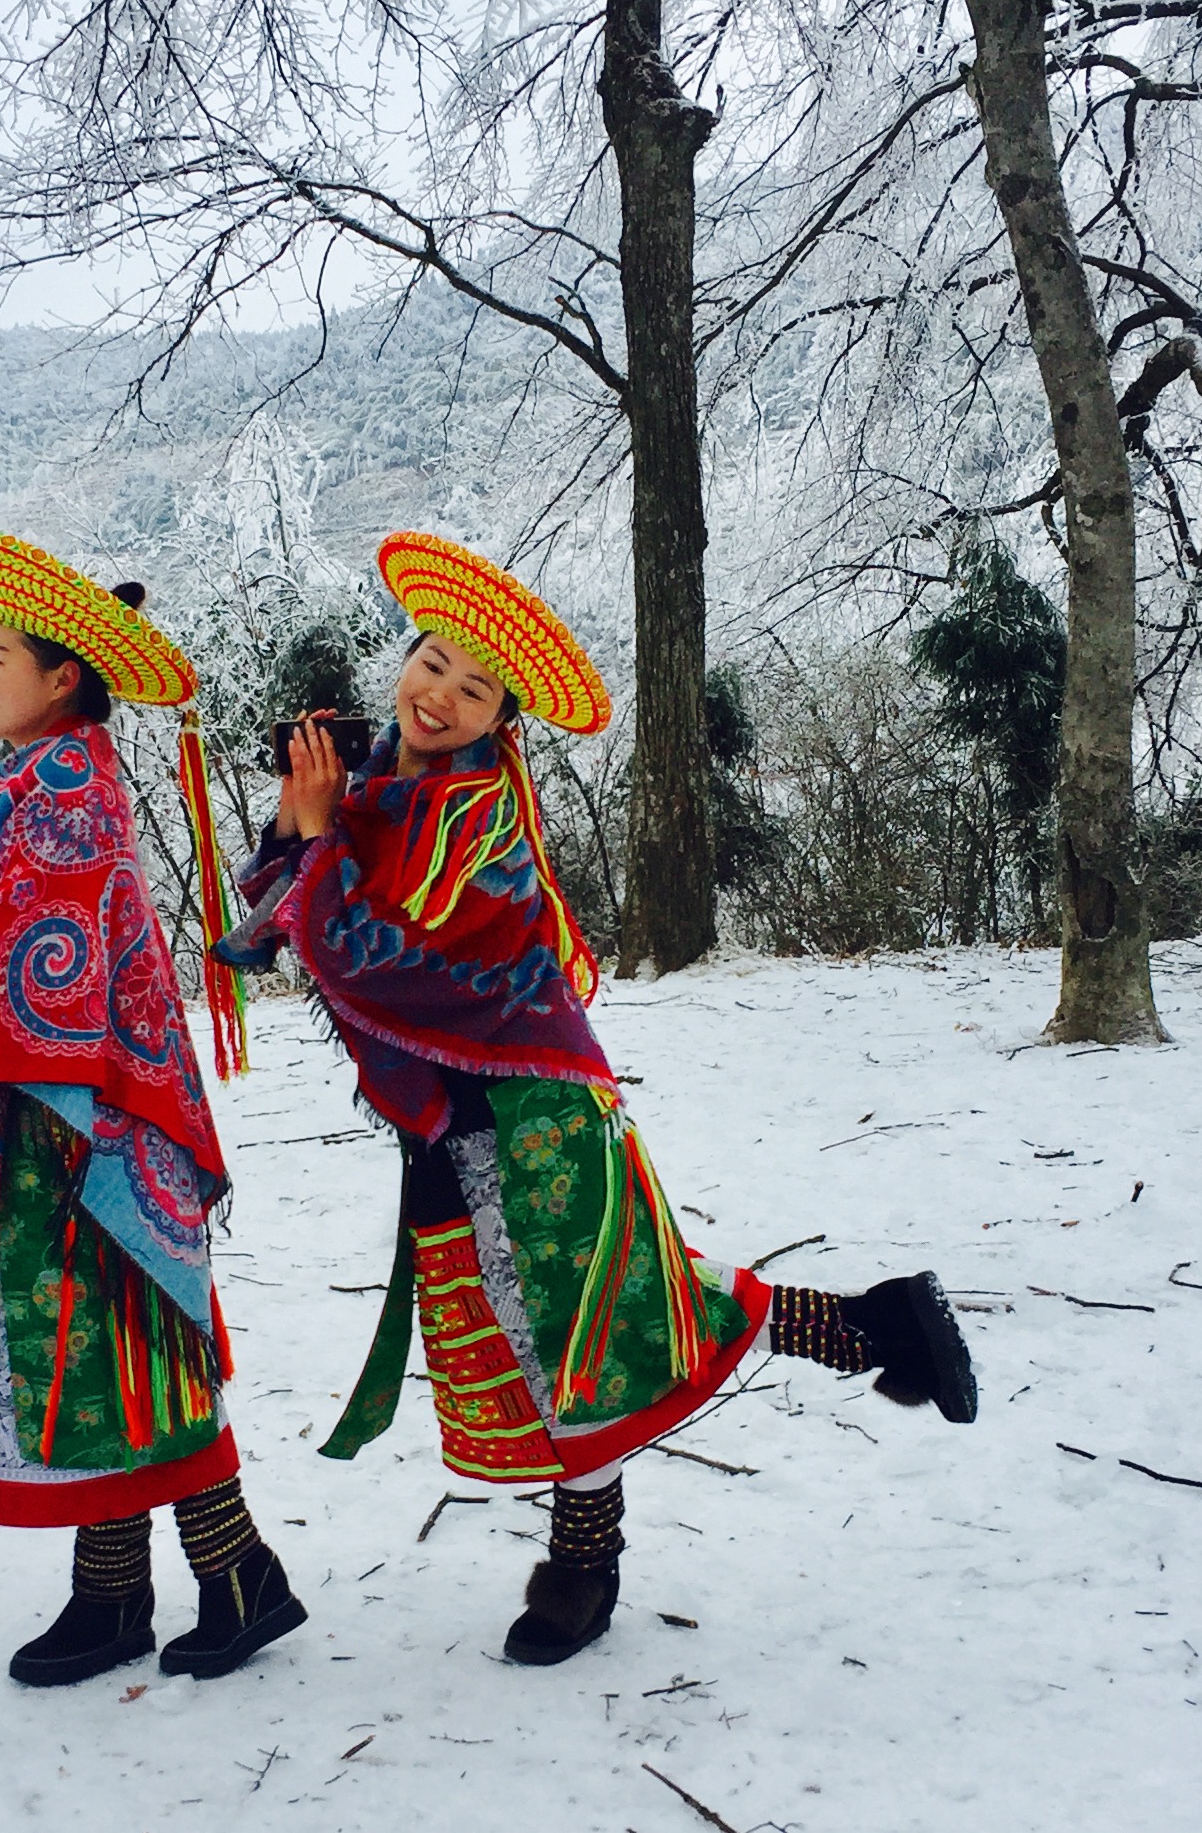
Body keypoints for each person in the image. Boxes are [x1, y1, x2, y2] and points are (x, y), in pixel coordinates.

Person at [229, 532, 976, 1666]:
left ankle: (584, 1564)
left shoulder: (478, 827)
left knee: (575, 1340)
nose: (439, 695)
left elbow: (384, 955)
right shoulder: (383, 777)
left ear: (502, 720)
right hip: (456, 1120)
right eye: (432, 661)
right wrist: (304, 817)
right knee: (606, 1312)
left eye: (473, 688)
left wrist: (322, 838)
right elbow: (304, 893)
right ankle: (877, 1324)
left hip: (530, 1120)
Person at [0, 522, 303, 1687]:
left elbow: (42, 966)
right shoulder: (37, 775)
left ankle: (226, 1571)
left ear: (63, 676)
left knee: (119, 1337)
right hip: (55, 1112)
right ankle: (125, 1587)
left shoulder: (66, 783)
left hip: (85, 1114)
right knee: (94, 1346)